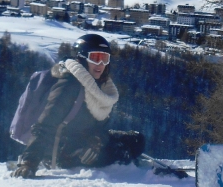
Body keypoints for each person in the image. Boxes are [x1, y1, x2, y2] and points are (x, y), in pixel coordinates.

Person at [12, 34, 145, 178]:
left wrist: (97, 140)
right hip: (63, 154)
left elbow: (96, 127)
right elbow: (45, 125)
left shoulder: (98, 86)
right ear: (81, 58)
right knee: (128, 148)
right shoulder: (69, 85)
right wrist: (29, 163)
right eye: (95, 58)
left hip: (82, 144)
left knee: (136, 139)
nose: (101, 64)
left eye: (105, 58)